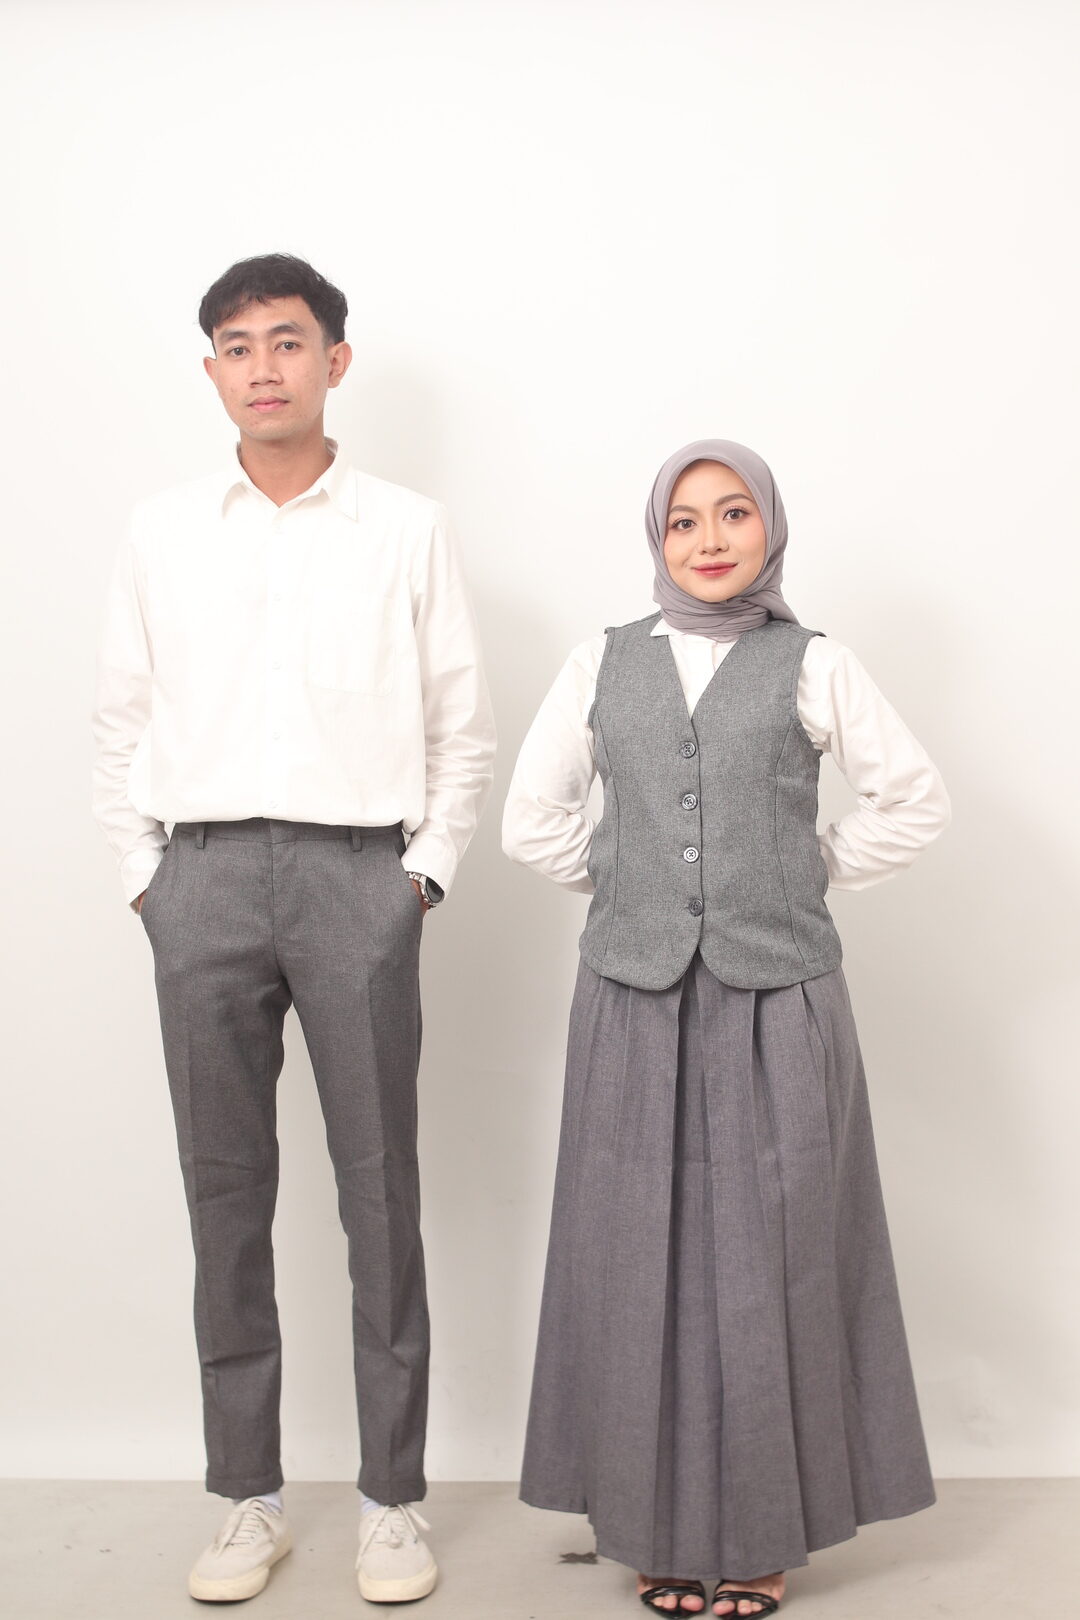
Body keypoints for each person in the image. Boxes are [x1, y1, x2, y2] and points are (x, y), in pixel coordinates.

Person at [91, 254, 495, 1605]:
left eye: (286, 340)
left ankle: (391, 1503)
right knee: (224, 1198)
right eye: (236, 345)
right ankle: (247, 1498)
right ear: (212, 370)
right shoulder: (162, 531)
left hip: (356, 880)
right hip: (200, 881)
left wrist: (417, 877)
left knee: (380, 1194)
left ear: (336, 359)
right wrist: (147, 880)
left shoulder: (407, 528)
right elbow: (119, 718)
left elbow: (459, 720)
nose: (262, 366)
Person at [502, 439, 949, 1618]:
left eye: (733, 513)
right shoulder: (601, 661)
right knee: (635, 1258)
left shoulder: (815, 664)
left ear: (770, 529)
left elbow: (915, 800)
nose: (709, 539)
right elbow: (532, 819)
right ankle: (653, 1527)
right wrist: (635, 887)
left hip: (778, 1000)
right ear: (658, 539)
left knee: (774, 1264)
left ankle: (761, 1537)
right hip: (632, 1002)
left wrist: (804, 871)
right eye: (684, 520)